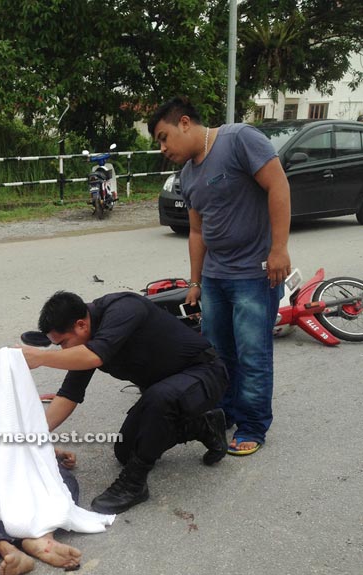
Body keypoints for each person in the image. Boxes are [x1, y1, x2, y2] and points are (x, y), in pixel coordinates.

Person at [148, 97, 291, 456]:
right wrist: (195, 282)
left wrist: (278, 249)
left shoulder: (239, 138)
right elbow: (197, 232)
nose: (163, 148)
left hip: (253, 274)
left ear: (184, 122)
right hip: (215, 278)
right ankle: (225, 412)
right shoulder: (188, 175)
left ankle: (254, 425)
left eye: (164, 137)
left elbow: (279, 186)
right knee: (218, 354)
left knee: (252, 354)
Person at [20, 289, 230, 515]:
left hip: (204, 374)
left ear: (81, 325)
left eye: (63, 343)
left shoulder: (124, 309)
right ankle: (204, 426)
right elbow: (69, 394)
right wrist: (33, 436)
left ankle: (134, 485)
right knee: (125, 452)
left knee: (159, 398)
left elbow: (95, 356)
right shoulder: (86, 338)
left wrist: (40, 358)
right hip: (162, 392)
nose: (63, 350)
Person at [0, 451, 82, 575]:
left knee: (61, 480)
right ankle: (9, 548)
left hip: (6, 456)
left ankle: (39, 539)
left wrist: (55, 452)